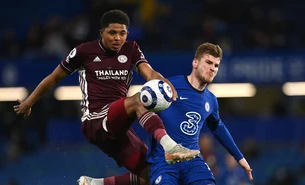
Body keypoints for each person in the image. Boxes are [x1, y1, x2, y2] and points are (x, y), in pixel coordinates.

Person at [13, 9, 199, 185]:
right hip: (96, 121)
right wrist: (29, 102)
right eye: (112, 33)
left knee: (153, 176)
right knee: (139, 99)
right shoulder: (84, 52)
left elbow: (149, 74)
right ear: (101, 32)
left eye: (123, 33)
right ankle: (171, 146)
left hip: (119, 126)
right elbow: (54, 78)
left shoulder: (131, 49)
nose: (118, 38)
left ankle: (95, 183)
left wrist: (164, 83)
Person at [78, 42, 253, 185]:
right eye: (208, 62)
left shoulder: (211, 100)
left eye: (216, 65)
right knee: (147, 176)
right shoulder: (167, 87)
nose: (212, 68)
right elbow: (141, 104)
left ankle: (95, 183)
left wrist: (240, 158)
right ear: (195, 62)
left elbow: (218, 128)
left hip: (193, 160)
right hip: (163, 161)